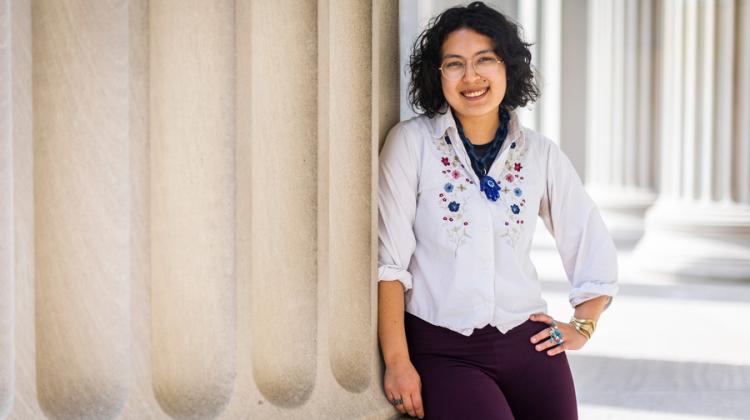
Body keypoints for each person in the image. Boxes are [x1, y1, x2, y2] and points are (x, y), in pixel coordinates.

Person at [377, 2, 619, 419]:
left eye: (484, 60)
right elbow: (388, 265)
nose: (471, 77)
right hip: (445, 350)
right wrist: (398, 363)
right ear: (437, 76)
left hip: (528, 343)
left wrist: (582, 324)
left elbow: (589, 238)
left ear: (508, 67)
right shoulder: (411, 145)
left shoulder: (540, 154)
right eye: (454, 64)